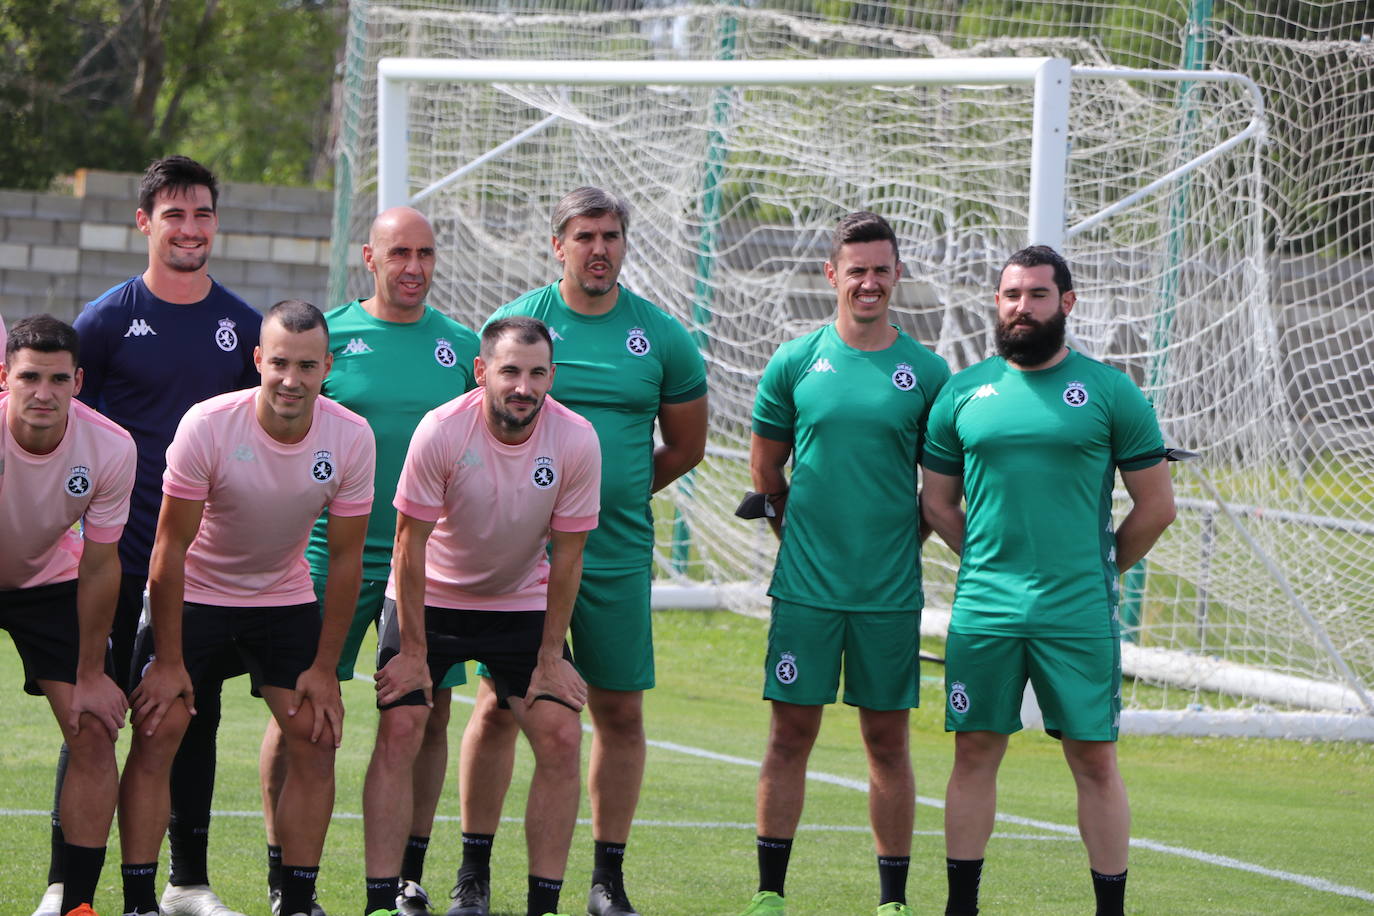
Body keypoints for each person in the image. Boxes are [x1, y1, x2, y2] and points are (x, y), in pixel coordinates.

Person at [455, 186, 707, 916]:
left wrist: (603, 497)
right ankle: (473, 876)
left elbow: (685, 446)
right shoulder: (519, 325)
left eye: (611, 236)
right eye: (585, 235)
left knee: (619, 712)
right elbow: (476, 424)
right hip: (521, 555)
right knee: (499, 705)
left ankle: (606, 881)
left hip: (614, 553)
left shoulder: (661, 337)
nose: (599, 249)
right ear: (558, 245)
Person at [920, 245, 1177, 916]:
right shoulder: (961, 392)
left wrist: (1098, 571)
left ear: (1066, 302)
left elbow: (1156, 507)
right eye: (1012, 295)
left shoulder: (1111, 391)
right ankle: (960, 908)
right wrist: (986, 562)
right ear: (997, 303)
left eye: (1037, 294)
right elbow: (937, 504)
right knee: (974, 753)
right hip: (986, 610)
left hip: (1077, 611)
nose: (1022, 307)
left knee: (1094, 760)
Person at [115, 300, 374, 916]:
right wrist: (169, 662)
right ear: (258, 359)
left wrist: (325, 669)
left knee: (316, 735)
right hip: (196, 594)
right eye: (279, 363)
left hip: (282, 599)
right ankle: (141, 903)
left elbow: (345, 561)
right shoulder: (208, 425)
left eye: (306, 366)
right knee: (159, 726)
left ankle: (297, 902)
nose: (291, 379)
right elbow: (169, 549)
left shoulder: (351, 437)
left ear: (327, 367)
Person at [54, 155, 261, 916]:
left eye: (202, 213)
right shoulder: (105, 321)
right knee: (91, 717)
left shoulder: (244, 327)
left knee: (188, 714)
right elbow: (69, 429)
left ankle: (186, 884)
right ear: (144, 222)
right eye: (174, 214)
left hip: (203, 565)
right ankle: (67, 887)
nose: (190, 228)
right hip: (115, 555)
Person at [257, 206, 479, 916]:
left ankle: (406, 876)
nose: (413, 267)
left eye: (425, 253)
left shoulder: (462, 346)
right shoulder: (325, 340)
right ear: (369, 258)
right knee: (300, 712)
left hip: (429, 566)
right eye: (399, 252)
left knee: (427, 716)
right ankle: (286, 876)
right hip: (328, 557)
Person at [736, 212, 950, 916]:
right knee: (788, 735)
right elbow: (766, 468)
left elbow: (939, 490)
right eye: (856, 270)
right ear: (832, 275)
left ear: (898, 275)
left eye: (881, 270)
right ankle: (770, 895)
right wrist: (796, 536)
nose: (869, 282)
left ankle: (892, 902)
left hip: (888, 593)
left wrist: (901, 543)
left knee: (887, 741)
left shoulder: (928, 373)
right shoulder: (795, 361)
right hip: (806, 590)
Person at [361, 317, 600, 916]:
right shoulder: (441, 429)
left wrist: (551, 655)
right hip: (431, 595)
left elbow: (569, 556)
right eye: (510, 371)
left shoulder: (576, 439)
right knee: (402, 727)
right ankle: (386, 899)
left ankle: (541, 907)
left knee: (561, 735)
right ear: (481, 372)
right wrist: (414, 653)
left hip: (519, 601)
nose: (524, 386)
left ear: (552, 377)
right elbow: (407, 543)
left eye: (537, 373)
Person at [1, 315, 136, 916]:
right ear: (5, 377)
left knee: (93, 729)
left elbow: (101, 564)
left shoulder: (111, 446)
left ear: (78, 382)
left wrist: (90, 673)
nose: (44, 393)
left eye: (58, 379)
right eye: (29, 377)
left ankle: (76, 904)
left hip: (48, 580)